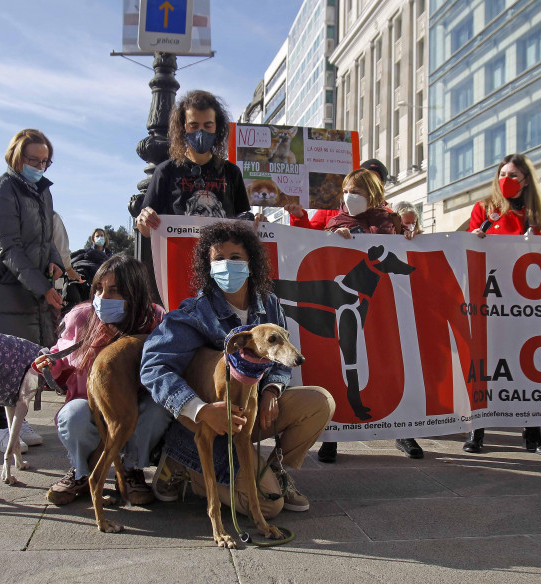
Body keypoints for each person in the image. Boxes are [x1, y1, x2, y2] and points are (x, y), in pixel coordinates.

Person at [140, 221, 335, 517]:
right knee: (270, 506)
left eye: (235, 258)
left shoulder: (269, 305)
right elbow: (153, 367)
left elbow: (281, 358)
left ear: (251, 263)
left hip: (250, 413)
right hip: (208, 426)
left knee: (319, 401)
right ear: (208, 266)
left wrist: (272, 389)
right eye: (218, 259)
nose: (226, 265)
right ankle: (183, 464)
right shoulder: (195, 313)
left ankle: (275, 472)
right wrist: (199, 409)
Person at [464, 153, 541, 456]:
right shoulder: (485, 211)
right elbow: (467, 252)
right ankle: (478, 432)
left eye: (513, 175)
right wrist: (475, 239)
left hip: (533, 311)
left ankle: (533, 436)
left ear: (527, 179)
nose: (507, 180)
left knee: (532, 368)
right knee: (489, 369)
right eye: (503, 173)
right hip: (494, 307)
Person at [34, 254, 166, 505]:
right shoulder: (81, 316)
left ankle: (130, 470)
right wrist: (47, 364)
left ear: (135, 292)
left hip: (135, 404)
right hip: (89, 403)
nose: (103, 298)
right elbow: (61, 357)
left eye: (114, 291)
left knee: (158, 409)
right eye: (98, 289)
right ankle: (82, 472)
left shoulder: (155, 318)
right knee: (74, 416)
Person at [311, 168, 423, 463]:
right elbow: (324, 259)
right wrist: (334, 238)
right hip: (350, 307)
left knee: (392, 365)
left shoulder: (390, 222)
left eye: (357, 192)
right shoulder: (335, 222)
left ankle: (404, 430)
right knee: (342, 363)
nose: (350, 197)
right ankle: (332, 436)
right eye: (347, 190)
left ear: (372, 194)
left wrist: (413, 238)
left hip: (386, 307)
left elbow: (405, 259)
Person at [0, 128, 64, 453]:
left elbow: (44, 239)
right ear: (17, 156)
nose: (39, 166)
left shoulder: (42, 192)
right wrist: (43, 290)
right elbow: (8, 247)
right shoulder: (1, 191)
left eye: (44, 161)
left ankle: (17, 419)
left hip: (26, 288)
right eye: (33, 160)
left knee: (25, 360)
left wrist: (55, 263)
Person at [136, 90, 252, 238]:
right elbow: (146, 229)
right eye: (194, 125)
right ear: (183, 127)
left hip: (221, 259)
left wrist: (258, 223)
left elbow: (243, 222)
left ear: (218, 127)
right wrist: (144, 220)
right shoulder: (166, 171)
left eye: (208, 125)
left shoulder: (231, 172)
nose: (201, 132)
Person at [285, 159, 391, 231]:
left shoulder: (389, 216)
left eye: (374, 181)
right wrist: (299, 217)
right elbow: (308, 237)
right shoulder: (331, 209)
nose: (369, 185)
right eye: (364, 179)